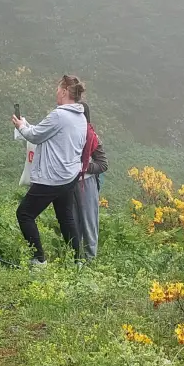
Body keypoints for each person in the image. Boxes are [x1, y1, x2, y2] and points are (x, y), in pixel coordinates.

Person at [13, 74, 88, 266]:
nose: (56, 93)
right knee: (66, 217)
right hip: (69, 176)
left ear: (64, 91)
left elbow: (35, 136)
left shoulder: (59, 114)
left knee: (24, 214)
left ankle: (38, 260)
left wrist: (21, 126)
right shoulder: (80, 117)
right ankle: (77, 261)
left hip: (51, 178)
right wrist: (28, 126)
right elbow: (48, 134)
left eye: (57, 89)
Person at [77, 102, 108, 261]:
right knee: (73, 221)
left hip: (87, 184)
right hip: (69, 183)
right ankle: (75, 258)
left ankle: (90, 260)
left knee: (89, 221)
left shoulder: (91, 136)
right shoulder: (69, 133)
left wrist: (83, 167)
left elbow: (103, 164)